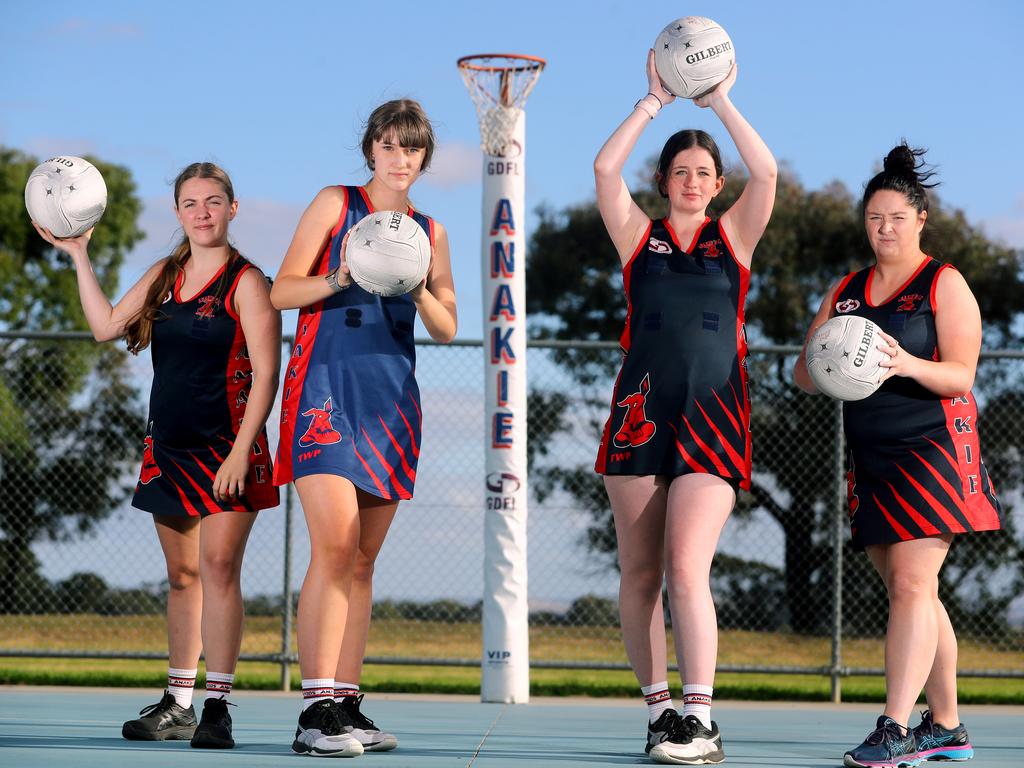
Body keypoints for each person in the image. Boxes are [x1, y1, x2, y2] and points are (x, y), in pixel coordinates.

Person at [33, 162, 281, 749]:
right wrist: (78, 255)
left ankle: (217, 708)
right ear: (177, 212)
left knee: (220, 571)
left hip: (229, 449)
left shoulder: (248, 281)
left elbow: (268, 373)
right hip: (168, 446)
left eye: (214, 201)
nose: (202, 212)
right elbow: (103, 327)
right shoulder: (165, 275)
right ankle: (179, 703)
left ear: (232, 208)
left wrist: (242, 451)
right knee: (183, 576)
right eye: (191, 203)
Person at [593, 51, 776, 765]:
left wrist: (720, 102)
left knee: (685, 566)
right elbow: (607, 172)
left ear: (716, 184)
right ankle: (659, 712)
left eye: (704, 173)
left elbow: (767, 175)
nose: (693, 181)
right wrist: (652, 104)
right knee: (639, 575)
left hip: (713, 422)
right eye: (680, 172)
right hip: (639, 420)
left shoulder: (735, 239)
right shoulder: (640, 240)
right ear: (664, 182)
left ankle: (700, 718)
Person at [794, 143, 1003, 768]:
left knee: (913, 583)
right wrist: (829, 357)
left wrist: (904, 361)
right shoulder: (847, 289)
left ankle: (895, 727)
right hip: (872, 453)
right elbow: (806, 373)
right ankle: (947, 725)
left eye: (895, 218)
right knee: (913, 592)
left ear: (919, 219)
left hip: (934, 446)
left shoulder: (944, 282)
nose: (883, 229)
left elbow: (961, 374)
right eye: (873, 219)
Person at [271, 98, 457, 758]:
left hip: (389, 403)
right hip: (325, 390)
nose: (400, 157)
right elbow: (281, 291)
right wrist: (342, 277)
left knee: (362, 561)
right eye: (389, 144)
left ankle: (345, 704)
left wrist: (414, 287)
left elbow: (448, 325)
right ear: (370, 149)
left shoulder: (430, 232)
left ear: (424, 157)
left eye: (413, 148)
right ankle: (313, 711)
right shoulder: (335, 203)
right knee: (333, 546)